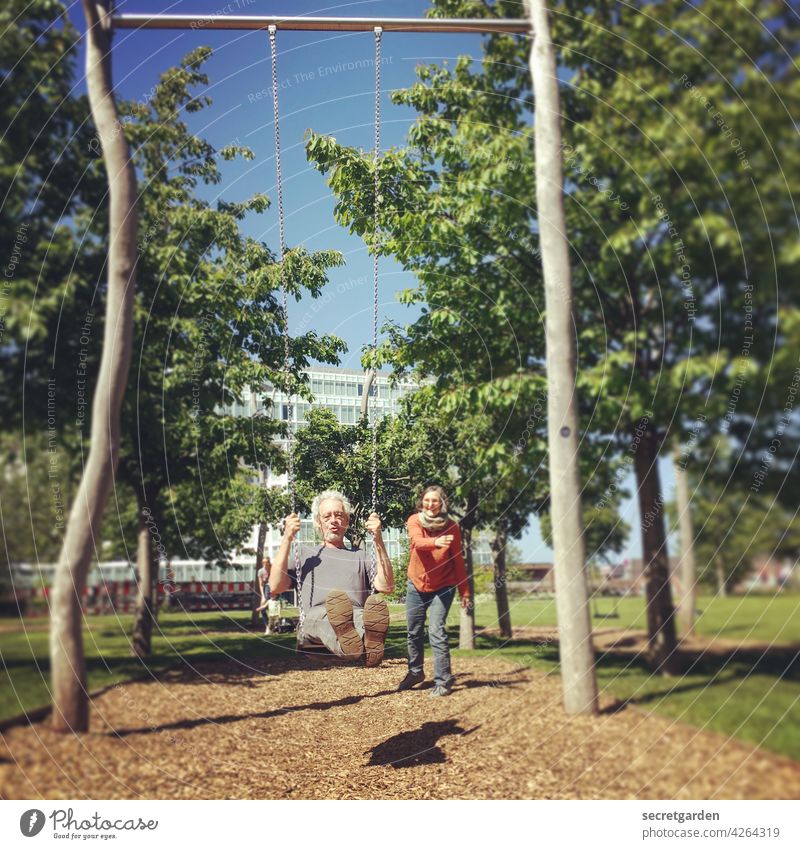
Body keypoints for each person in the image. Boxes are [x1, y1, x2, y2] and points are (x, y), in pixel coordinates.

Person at [269, 490, 393, 666]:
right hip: (315, 616)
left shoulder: (361, 556)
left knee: (360, 618)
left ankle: (369, 642)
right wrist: (287, 538)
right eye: (326, 516)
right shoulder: (305, 554)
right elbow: (275, 586)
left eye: (339, 515)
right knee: (326, 619)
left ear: (347, 521)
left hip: (355, 613)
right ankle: (353, 646)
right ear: (318, 523)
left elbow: (387, 586)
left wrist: (378, 539)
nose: (333, 520)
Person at [398, 485, 470, 696]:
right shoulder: (414, 520)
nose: (431, 504)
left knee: (436, 630)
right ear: (422, 502)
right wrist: (436, 542)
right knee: (414, 631)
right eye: (427, 500)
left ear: (442, 503)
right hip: (417, 584)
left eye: (435, 500)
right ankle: (415, 672)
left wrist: (465, 591)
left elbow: (457, 560)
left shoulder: (452, 527)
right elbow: (417, 542)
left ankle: (443, 681)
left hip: (444, 585)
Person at [257, 557, 271, 634]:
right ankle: (268, 627)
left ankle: (271, 627)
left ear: (269, 562)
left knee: (272, 608)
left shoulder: (273, 569)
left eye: (266, 562)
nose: (264, 564)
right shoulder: (261, 571)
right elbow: (261, 585)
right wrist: (262, 596)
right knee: (263, 609)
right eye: (263, 563)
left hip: (273, 588)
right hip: (266, 588)